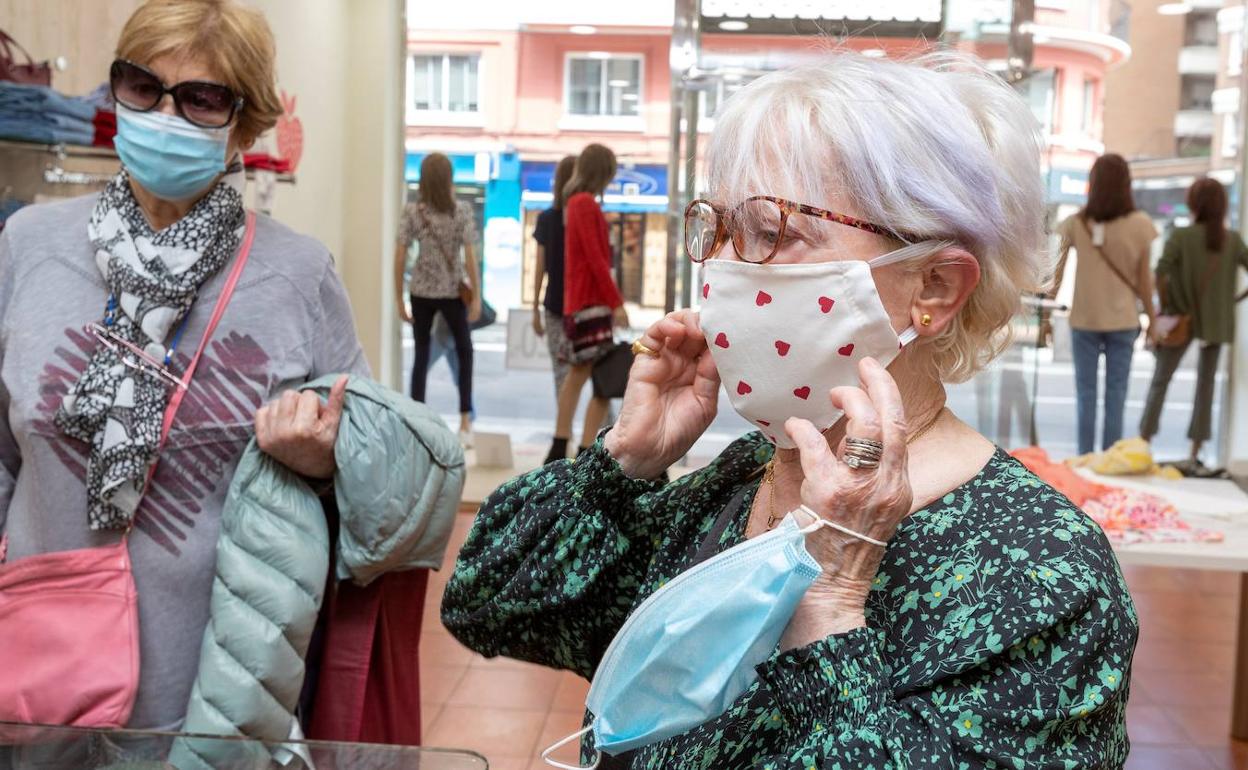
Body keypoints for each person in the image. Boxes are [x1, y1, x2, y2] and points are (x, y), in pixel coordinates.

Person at [443, 51, 1136, 768]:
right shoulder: (736, 484)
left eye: (771, 233)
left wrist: (833, 606)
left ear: (934, 285)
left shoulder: (1042, 574)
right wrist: (624, 461)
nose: (721, 270)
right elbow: (487, 602)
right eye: (717, 230)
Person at [0, 0, 369, 732]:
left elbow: (376, 473)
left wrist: (324, 463)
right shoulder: (28, 245)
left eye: (201, 98)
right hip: (37, 684)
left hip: (221, 690)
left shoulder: (298, 274)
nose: (165, 115)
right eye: (143, 87)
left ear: (246, 125)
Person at [1051, 153, 1157, 456]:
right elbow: (1144, 282)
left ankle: (1085, 459)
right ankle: (1110, 459)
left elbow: (1055, 275)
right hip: (1124, 322)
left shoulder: (1075, 223)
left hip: (1084, 320)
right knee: (1116, 395)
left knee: (1086, 395)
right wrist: (1152, 321)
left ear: (1093, 183)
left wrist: (1045, 307)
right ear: (1126, 184)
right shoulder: (1141, 225)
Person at [1140, 177, 1248, 467]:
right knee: (1206, 384)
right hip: (1216, 322)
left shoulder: (1181, 236)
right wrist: (1233, 300)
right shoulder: (1233, 240)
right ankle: (1194, 453)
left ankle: (1144, 444)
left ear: (1193, 203)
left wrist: (1170, 303)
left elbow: (1160, 271)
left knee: (1161, 380)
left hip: (1181, 318)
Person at [543, 144, 628, 465]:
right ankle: (582, 451)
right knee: (602, 382)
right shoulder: (586, 205)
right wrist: (615, 302)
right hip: (592, 303)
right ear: (603, 172)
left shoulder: (572, 204)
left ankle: (562, 443)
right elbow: (596, 259)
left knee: (579, 375)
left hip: (578, 303)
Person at [395, 152, 481, 446]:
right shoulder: (462, 211)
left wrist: (399, 299)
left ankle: (417, 420)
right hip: (451, 293)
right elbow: (469, 256)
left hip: (420, 292)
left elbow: (400, 255)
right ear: (448, 179)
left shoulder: (412, 212)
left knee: (421, 355)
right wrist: (477, 297)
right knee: (465, 351)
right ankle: (466, 420)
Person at [532, 154, 578, 399]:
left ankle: (565, 435)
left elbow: (539, 268)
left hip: (553, 306)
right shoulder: (585, 217)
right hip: (581, 308)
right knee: (594, 376)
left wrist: (534, 309)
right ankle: (603, 434)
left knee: (561, 375)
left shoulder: (546, 218)